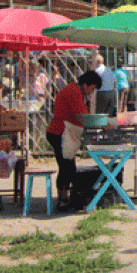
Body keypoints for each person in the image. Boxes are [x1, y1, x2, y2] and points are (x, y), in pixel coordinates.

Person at [45, 70, 103, 210]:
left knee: (69, 166)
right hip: (59, 132)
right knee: (66, 167)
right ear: (85, 84)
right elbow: (81, 116)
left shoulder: (75, 91)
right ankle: (62, 199)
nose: (91, 92)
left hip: (63, 133)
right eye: (92, 88)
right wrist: (100, 123)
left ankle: (67, 198)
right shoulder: (73, 92)